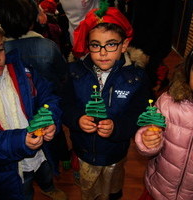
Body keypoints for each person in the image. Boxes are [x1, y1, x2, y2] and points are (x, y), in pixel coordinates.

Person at [62, 3, 151, 199]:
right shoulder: (74, 72)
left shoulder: (136, 78)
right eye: (96, 45)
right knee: (89, 191)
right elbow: (65, 105)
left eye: (111, 44)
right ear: (88, 45)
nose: (102, 52)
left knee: (112, 190)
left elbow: (138, 114)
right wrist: (77, 119)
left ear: (124, 45)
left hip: (115, 153)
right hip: (84, 151)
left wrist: (117, 127)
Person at [0, 0, 71, 176]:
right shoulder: (47, 46)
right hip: (9, 169)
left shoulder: (18, 67)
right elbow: (62, 74)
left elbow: (48, 96)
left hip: (40, 136)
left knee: (46, 164)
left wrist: (51, 118)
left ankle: (49, 182)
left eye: (0, 50)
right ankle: (63, 160)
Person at [135, 49, 193, 199]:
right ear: (188, 71)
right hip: (157, 188)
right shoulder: (167, 103)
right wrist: (147, 140)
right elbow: (149, 130)